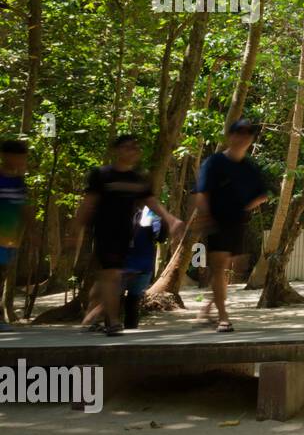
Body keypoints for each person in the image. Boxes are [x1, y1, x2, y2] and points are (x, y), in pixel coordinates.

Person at [69, 135, 181, 336]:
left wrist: (170, 220)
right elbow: (88, 203)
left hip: (126, 235)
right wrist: (76, 229)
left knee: (109, 276)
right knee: (112, 276)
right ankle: (112, 322)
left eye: (135, 148)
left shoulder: (139, 179)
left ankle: (93, 319)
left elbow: (151, 202)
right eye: (127, 147)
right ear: (117, 150)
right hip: (105, 233)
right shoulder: (102, 175)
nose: (132, 151)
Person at [195, 120, 270, 332]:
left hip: (238, 223)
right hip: (216, 222)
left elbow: (262, 195)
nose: (243, 137)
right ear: (230, 136)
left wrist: (245, 207)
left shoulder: (250, 167)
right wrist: (205, 218)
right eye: (239, 132)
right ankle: (222, 317)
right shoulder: (214, 162)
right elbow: (202, 193)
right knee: (219, 268)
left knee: (231, 269)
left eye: (249, 133)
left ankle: (207, 308)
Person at [0, 140, 29, 330]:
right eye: (18, 156)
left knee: (1, 276)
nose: (22, 161)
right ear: (5, 156)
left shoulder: (19, 182)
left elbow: (24, 209)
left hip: (9, 239)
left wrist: (27, 234)